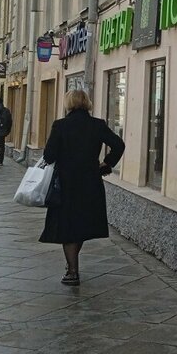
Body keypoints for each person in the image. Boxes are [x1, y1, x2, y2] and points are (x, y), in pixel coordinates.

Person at [41, 89, 124, 285]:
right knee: (81, 223)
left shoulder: (61, 125)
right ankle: (72, 266)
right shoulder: (97, 125)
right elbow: (119, 145)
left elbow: (49, 155)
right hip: (90, 182)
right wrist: (106, 164)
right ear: (87, 103)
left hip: (65, 183)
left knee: (67, 225)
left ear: (68, 103)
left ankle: (72, 271)